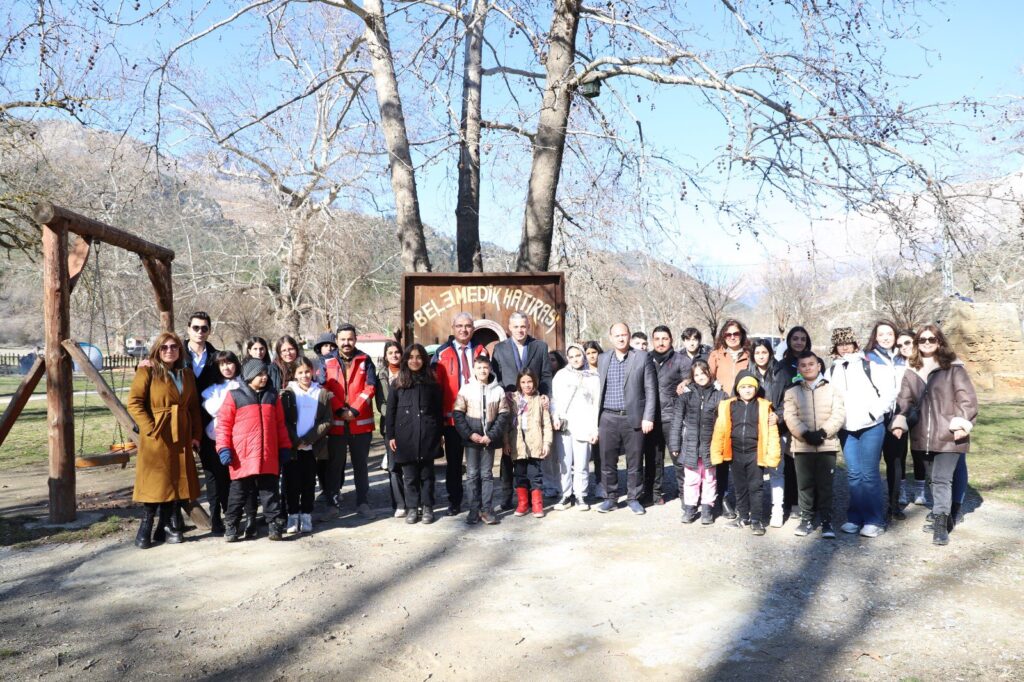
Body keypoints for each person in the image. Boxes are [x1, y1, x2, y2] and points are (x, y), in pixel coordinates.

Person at [890, 325, 978, 546]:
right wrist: (899, 421)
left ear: (939, 341)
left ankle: (940, 524)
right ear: (917, 343)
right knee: (932, 478)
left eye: (931, 339)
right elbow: (904, 399)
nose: (927, 343)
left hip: (949, 433)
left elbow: (967, 399)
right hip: (923, 435)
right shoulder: (912, 370)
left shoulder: (953, 368)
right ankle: (944, 514)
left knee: (941, 479)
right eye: (922, 340)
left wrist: (961, 424)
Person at [127, 332, 203, 549]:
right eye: (164, 347)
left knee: (177, 478)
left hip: (182, 432)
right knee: (156, 480)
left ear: (180, 350)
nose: (170, 350)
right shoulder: (148, 370)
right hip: (159, 433)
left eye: (174, 347)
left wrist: (196, 435)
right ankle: (146, 527)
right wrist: (151, 428)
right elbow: (134, 403)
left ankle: (168, 525)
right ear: (157, 350)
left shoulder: (186, 374)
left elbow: (194, 407)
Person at [216, 358, 292, 542]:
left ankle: (274, 525)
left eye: (265, 373)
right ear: (249, 376)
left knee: (270, 493)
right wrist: (223, 448)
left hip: (268, 454)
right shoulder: (235, 396)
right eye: (260, 374)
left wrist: (284, 446)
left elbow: (280, 425)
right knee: (238, 494)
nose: (264, 377)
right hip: (242, 456)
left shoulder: (273, 396)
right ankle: (231, 525)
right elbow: (223, 425)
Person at [828, 327, 892, 538]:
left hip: (871, 426)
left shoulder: (869, 365)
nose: (845, 347)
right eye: (840, 343)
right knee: (854, 475)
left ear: (855, 344)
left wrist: (875, 413)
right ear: (835, 347)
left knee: (869, 474)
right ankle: (855, 517)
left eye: (848, 343)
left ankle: (874, 519)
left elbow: (888, 393)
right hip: (847, 429)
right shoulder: (832, 370)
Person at [490, 311, 552, 511]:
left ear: (528, 326)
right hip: (510, 406)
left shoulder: (540, 347)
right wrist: (503, 394)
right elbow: (496, 377)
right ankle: (507, 498)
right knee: (508, 456)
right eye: (516, 326)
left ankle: (535, 502)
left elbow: (545, 375)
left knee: (532, 456)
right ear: (509, 328)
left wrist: (545, 394)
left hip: (533, 405)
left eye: (523, 326)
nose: (520, 330)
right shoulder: (499, 349)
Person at [596, 322, 657, 515]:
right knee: (607, 460)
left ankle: (633, 498)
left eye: (624, 334)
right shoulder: (603, 358)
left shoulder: (642, 357)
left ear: (629, 336)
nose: (621, 338)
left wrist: (648, 416)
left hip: (634, 417)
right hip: (607, 417)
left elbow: (650, 389)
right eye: (617, 335)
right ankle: (610, 498)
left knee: (635, 461)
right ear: (611, 337)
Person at [318, 324, 378, 519]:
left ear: (355, 339)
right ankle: (332, 505)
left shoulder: (365, 360)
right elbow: (324, 388)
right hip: (335, 424)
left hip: (360, 424)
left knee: (361, 466)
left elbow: (370, 387)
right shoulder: (325, 361)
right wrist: (338, 409)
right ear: (336, 340)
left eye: (350, 339)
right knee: (334, 467)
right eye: (343, 339)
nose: (346, 343)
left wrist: (354, 410)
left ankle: (363, 502)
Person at [710, 372, 781, 536]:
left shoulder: (763, 406)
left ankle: (756, 519)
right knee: (740, 487)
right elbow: (720, 429)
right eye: (743, 387)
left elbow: (772, 432)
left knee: (755, 487)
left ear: (756, 389)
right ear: (737, 389)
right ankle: (743, 517)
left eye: (750, 387)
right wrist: (716, 451)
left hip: (755, 452)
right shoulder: (729, 405)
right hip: (735, 452)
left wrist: (773, 455)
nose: (747, 390)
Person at [784, 351, 846, 539]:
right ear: (799, 368)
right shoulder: (792, 391)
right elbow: (790, 416)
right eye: (803, 365)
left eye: (811, 364)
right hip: (802, 447)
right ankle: (807, 520)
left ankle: (826, 521)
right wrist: (804, 434)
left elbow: (839, 414)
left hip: (826, 445)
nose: (807, 368)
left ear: (819, 366)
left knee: (825, 485)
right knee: (805, 485)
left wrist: (823, 433)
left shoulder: (832, 389)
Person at [433, 312, 489, 517]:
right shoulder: (441, 353)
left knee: (478, 466)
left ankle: (479, 502)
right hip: (451, 419)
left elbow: (490, 380)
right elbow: (435, 389)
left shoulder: (481, 350)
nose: (463, 330)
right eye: (459, 326)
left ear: (473, 328)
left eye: (468, 326)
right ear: (452, 327)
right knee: (454, 464)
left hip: (477, 418)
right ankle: (454, 501)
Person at [386, 344, 444, 525]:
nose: (414, 360)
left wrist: (439, 434)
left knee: (427, 475)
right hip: (405, 437)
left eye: (418, 357)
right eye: (411, 357)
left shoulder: (432, 383)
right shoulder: (397, 384)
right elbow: (391, 412)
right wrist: (391, 436)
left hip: (427, 435)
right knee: (409, 476)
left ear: (424, 360)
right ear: (406, 360)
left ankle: (427, 507)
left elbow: (438, 411)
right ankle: (412, 507)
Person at [453, 355, 511, 525]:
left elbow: (504, 415)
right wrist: (470, 434)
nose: (483, 371)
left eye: (485, 368)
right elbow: (458, 414)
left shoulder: (498, 390)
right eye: (479, 368)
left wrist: (491, 435)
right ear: (474, 370)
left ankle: (486, 509)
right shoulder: (466, 389)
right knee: (471, 474)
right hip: (472, 439)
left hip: (489, 439)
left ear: (490, 369)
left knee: (486, 474)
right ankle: (473, 509)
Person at [669, 360, 726, 525]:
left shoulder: (719, 394)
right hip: (690, 445)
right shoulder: (686, 396)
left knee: (709, 479)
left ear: (709, 372)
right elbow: (676, 422)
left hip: (710, 446)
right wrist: (675, 444)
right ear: (692, 377)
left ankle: (707, 509)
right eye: (697, 375)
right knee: (691, 479)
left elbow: (725, 421)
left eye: (703, 373)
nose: (701, 377)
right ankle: (690, 508)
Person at [863, 320, 909, 520]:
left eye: (889, 334)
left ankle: (893, 504)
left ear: (895, 336)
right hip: (875, 417)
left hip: (897, 416)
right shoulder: (867, 357)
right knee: (871, 463)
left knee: (896, 461)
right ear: (875, 336)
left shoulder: (903, 358)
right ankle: (869, 506)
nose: (885, 338)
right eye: (881, 334)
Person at [280, 357, 332, 534]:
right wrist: (296, 441)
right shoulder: (288, 393)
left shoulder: (321, 393)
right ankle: (293, 515)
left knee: (309, 482)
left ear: (314, 371)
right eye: (300, 372)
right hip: (293, 448)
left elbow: (327, 420)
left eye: (307, 371)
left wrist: (308, 439)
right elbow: (284, 421)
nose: (305, 375)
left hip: (312, 447)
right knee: (291, 483)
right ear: (294, 374)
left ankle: (306, 514)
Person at [708, 319, 751, 519]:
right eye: (728, 334)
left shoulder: (750, 356)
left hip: (745, 411)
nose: (732, 337)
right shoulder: (716, 355)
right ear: (723, 336)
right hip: (722, 412)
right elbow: (705, 379)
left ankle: (746, 500)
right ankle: (722, 498)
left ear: (742, 335)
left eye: (736, 333)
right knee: (723, 457)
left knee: (743, 457)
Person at [550, 343, 601, 511]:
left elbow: (596, 405)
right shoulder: (561, 375)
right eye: (571, 357)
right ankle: (565, 494)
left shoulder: (593, 377)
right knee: (564, 462)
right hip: (565, 424)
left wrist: (595, 429)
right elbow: (554, 400)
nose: (575, 359)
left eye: (578, 355)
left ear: (583, 355)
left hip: (584, 424)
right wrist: (555, 416)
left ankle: (581, 495)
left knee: (582, 463)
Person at [644, 325, 689, 505]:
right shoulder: (645, 359)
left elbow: (690, 379)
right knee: (653, 459)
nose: (661, 342)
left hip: (673, 417)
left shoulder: (681, 360)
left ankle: (686, 493)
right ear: (652, 341)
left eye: (665, 339)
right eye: (657, 339)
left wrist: (686, 381)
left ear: (671, 340)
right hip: (651, 417)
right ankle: (654, 493)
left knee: (678, 458)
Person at [199, 350, 243, 535]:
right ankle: (216, 517)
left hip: (239, 438)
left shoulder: (244, 384)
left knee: (235, 480)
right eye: (222, 364)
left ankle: (233, 516)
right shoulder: (211, 389)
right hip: (215, 439)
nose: (227, 367)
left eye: (230, 363)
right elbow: (215, 409)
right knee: (215, 480)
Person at [748, 339, 788, 527]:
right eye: (757, 353)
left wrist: (778, 416)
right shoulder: (748, 373)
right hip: (753, 430)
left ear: (770, 353)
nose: (761, 356)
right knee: (755, 472)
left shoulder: (781, 373)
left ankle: (777, 510)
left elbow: (789, 400)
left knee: (776, 470)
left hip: (775, 429)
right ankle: (754, 510)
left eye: (764, 352)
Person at [776, 325, 812, 517]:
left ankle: (809, 501)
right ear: (789, 341)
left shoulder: (814, 361)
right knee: (790, 463)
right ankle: (791, 501)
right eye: (795, 338)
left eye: (803, 339)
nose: (799, 342)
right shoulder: (782, 366)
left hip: (810, 418)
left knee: (807, 463)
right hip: (787, 419)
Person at [508, 369, 554, 518]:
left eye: (529, 382)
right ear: (519, 384)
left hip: (535, 442)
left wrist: (547, 443)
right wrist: (505, 442)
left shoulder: (540, 400)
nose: (526, 385)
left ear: (534, 382)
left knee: (535, 475)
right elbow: (507, 424)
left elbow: (546, 424)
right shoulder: (513, 400)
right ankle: (523, 503)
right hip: (518, 442)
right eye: (523, 382)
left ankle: (537, 504)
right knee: (520, 474)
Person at [896, 329, 928, 506]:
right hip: (900, 412)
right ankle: (901, 490)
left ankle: (920, 490)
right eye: (899, 345)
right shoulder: (896, 363)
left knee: (919, 452)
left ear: (915, 342)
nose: (903, 347)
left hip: (920, 412)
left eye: (907, 343)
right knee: (899, 453)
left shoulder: (925, 363)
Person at [375, 340, 406, 516]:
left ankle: (412, 501)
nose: (394, 355)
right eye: (391, 353)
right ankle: (399, 503)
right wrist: (396, 415)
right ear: (386, 356)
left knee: (408, 465)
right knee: (393, 467)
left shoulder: (408, 373)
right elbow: (381, 404)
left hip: (409, 426)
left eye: (397, 352)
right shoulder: (382, 376)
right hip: (390, 427)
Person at [583, 340, 605, 498]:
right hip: (586, 415)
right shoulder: (582, 372)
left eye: (594, 352)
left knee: (602, 453)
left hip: (604, 414)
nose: (591, 356)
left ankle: (601, 483)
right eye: (588, 353)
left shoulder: (605, 369)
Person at [183, 311, 221, 395]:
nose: (200, 331)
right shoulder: (177, 355)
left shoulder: (219, 358)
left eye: (204, 328)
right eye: (196, 328)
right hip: (184, 407)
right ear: (188, 330)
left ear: (209, 331)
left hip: (209, 407)